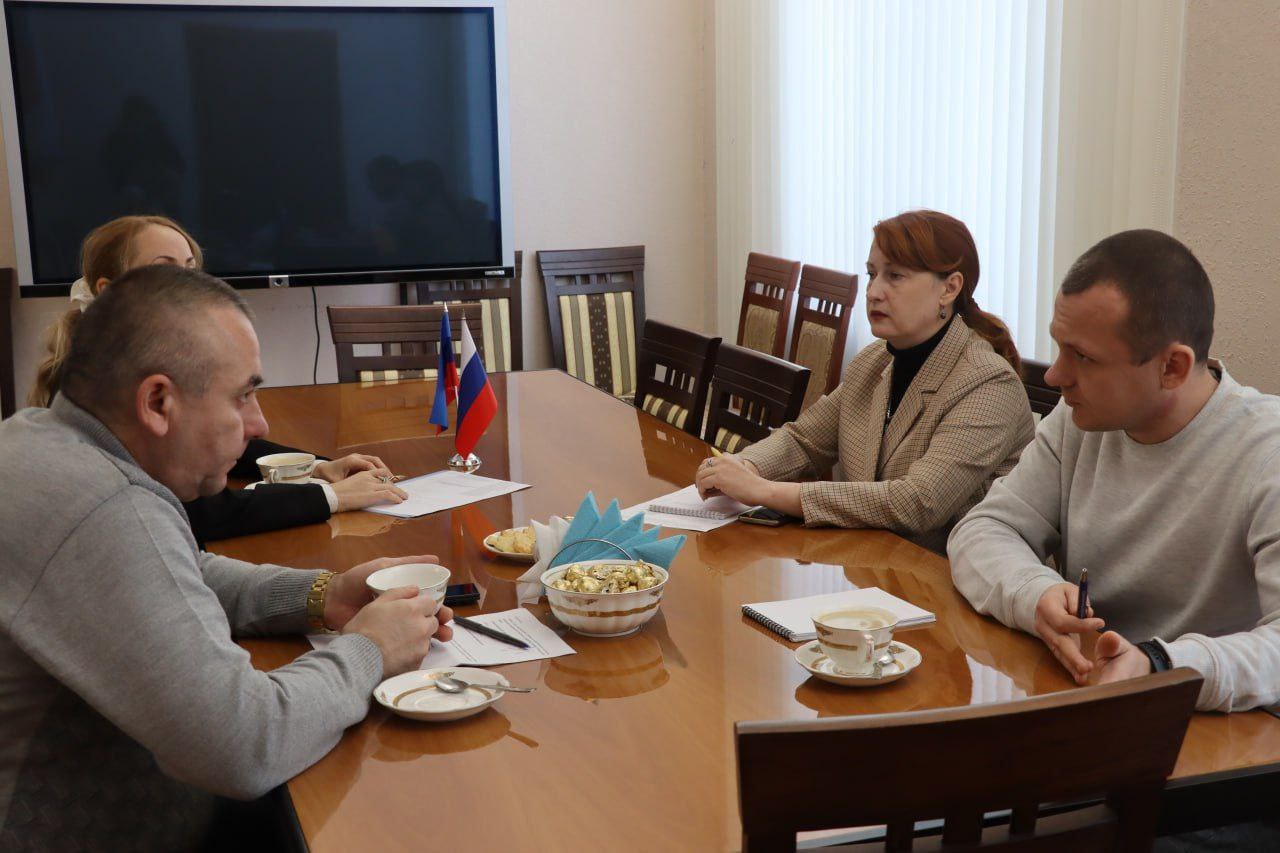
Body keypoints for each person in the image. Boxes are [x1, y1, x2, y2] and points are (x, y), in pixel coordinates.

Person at [0, 265, 453, 848]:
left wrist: (324, 595)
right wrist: (371, 650)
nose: (259, 424)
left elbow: (180, 567)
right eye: (243, 395)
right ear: (157, 401)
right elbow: (245, 746)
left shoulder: (40, 437)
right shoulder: (105, 507)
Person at [949, 229, 1280, 714]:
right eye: (1060, 347)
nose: (1055, 376)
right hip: (1089, 699)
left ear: (1172, 367)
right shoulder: (1081, 419)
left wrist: (1161, 664)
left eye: (1082, 357)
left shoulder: (1266, 452)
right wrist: (1034, 593)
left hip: (1212, 731)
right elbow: (984, 527)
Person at [27, 215, 406, 543]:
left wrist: (317, 467)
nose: (189, 286)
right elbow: (203, 513)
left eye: (191, 270)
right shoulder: (110, 383)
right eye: (166, 270)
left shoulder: (138, 356)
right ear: (109, 291)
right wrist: (332, 497)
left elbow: (216, 438)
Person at [696, 209, 1034, 553]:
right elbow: (804, 441)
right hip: (871, 563)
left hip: (948, 575)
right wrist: (744, 466)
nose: (873, 292)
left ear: (949, 288)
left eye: (895, 276)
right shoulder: (874, 361)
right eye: (872, 274)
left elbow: (918, 502)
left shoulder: (989, 383)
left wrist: (764, 491)